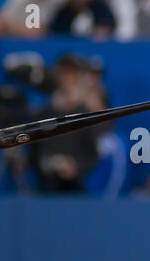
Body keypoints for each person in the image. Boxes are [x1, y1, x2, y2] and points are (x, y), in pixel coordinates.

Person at [29, 54, 99, 193]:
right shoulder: (43, 114)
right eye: (62, 74)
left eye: (70, 74)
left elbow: (92, 155)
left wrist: (76, 167)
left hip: (75, 189)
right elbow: (34, 154)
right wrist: (46, 165)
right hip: (46, 188)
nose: (65, 79)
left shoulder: (83, 114)